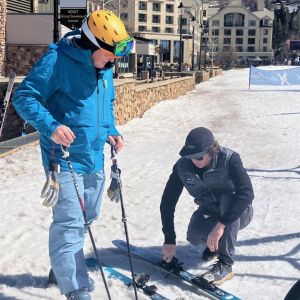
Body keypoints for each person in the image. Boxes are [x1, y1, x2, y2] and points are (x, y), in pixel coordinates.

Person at [13, 10, 134, 300]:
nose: (113, 60)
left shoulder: (104, 69)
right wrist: (51, 126)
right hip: (63, 159)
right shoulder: (57, 60)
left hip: (94, 158)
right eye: (108, 53)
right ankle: (76, 289)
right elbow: (24, 97)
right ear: (91, 44)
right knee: (69, 223)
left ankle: (62, 264)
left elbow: (106, 107)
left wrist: (112, 131)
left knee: (87, 217)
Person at [160, 127, 254, 285]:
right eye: (191, 157)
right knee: (194, 236)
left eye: (199, 157)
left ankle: (225, 264)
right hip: (210, 211)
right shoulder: (182, 167)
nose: (194, 161)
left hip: (238, 213)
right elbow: (167, 203)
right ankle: (217, 245)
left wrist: (221, 226)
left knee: (227, 198)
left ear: (212, 150)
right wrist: (169, 239)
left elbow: (247, 193)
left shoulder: (229, 159)